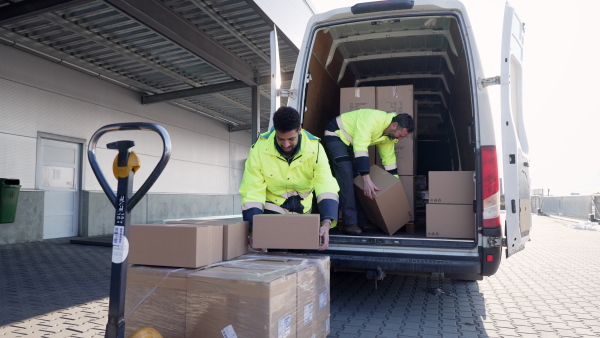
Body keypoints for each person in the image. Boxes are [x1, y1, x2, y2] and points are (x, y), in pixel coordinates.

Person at [239, 106, 340, 250]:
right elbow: (252, 188)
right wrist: (254, 228)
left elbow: (325, 184)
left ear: (299, 129)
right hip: (274, 207)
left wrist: (327, 222)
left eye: (291, 139)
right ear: (275, 131)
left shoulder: (315, 148)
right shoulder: (259, 149)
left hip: (302, 210)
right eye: (281, 139)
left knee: (300, 255)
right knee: (277, 255)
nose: (286, 144)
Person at [322, 109, 414, 236]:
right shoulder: (372, 119)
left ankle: (363, 220)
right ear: (394, 125)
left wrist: (395, 186)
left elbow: (389, 160)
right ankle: (350, 223)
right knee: (347, 177)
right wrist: (366, 179)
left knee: (357, 181)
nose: (400, 138)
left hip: (351, 143)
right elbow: (360, 146)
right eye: (401, 135)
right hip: (337, 135)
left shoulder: (389, 136)